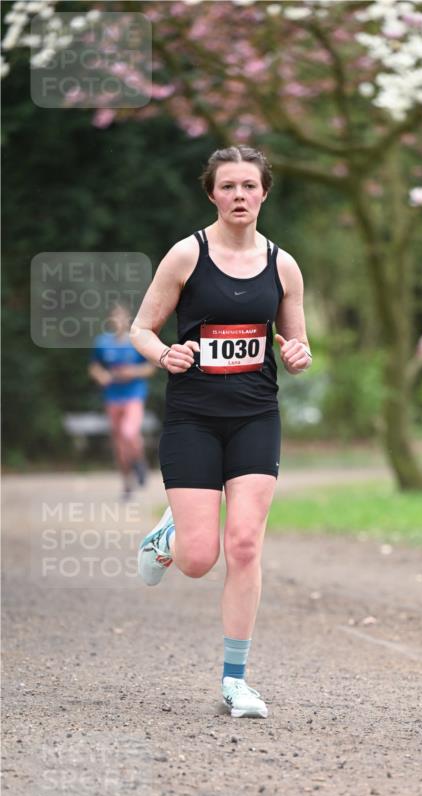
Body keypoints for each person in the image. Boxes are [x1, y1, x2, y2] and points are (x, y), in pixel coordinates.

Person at [130, 146, 312, 719]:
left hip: (257, 415)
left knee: (245, 543)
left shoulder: (283, 265)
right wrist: (165, 354)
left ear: (264, 193)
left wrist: (301, 353)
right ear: (212, 193)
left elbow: (295, 342)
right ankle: (168, 539)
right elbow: (141, 327)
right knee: (198, 558)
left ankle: (236, 680)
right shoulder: (187, 255)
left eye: (249, 186)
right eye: (228, 186)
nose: (239, 196)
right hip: (193, 419)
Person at [89, 303, 153, 500]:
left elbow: (151, 366)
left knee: (129, 432)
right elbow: (94, 367)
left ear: (127, 321)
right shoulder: (102, 342)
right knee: (119, 444)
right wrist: (101, 376)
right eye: (114, 318)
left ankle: (139, 462)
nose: (118, 321)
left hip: (134, 395)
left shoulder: (136, 341)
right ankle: (127, 484)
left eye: (121, 318)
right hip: (112, 397)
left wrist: (132, 372)